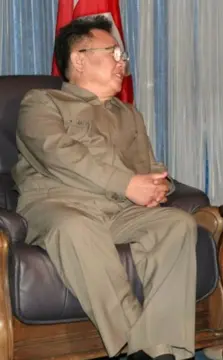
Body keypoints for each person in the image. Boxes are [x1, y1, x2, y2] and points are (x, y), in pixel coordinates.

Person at [12, 16, 197, 360]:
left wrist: (159, 187)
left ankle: (162, 346)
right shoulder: (41, 102)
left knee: (178, 225)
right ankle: (142, 349)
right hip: (61, 206)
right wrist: (127, 183)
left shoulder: (130, 115)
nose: (122, 62)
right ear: (79, 58)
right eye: (113, 52)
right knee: (75, 228)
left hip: (120, 212)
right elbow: (57, 154)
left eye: (122, 55)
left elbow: (150, 168)